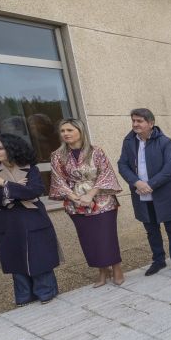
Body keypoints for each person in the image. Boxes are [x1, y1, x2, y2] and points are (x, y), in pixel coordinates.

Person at [0, 133, 60, 305]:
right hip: (6, 222)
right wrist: (16, 190)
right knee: (14, 259)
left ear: (12, 148)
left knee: (39, 257)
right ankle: (24, 297)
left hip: (32, 219)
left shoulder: (30, 169)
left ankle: (45, 292)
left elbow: (35, 190)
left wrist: (4, 184)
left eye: (0, 147)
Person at [49, 118, 124, 287]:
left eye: (69, 130)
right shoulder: (57, 156)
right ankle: (102, 271)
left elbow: (106, 174)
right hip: (75, 204)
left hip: (103, 201)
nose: (65, 134)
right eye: (63, 131)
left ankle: (117, 267)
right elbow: (58, 180)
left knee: (107, 236)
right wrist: (75, 197)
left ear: (80, 131)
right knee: (88, 239)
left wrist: (90, 195)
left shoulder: (96, 151)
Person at [117, 108, 171, 277]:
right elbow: (122, 165)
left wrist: (150, 184)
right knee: (151, 230)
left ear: (151, 123)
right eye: (133, 120)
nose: (135, 124)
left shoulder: (164, 141)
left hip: (164, 194)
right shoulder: (129, 141)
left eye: (139, 121)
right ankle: (159, 260)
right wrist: (137, 183)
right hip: (141, 195)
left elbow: (170, 168)